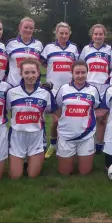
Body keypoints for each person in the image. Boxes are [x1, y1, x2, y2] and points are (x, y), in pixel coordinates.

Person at [6, 58, 57, 179]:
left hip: (36, 137)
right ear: (21, 74)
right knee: (15, 176)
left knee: (32, 175)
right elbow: (5, 111)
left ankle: (31, 159)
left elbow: (54, 111)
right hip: (17, 137)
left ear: (38, 73)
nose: (30, 76)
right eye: (26, 73)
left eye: (33, 72)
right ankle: (22, 160)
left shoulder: (45, 93)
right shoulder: (11, 93)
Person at [54, 60, 100, 175]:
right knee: (65, 173)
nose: (80, 76)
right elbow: (58, 108)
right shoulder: (64, 88)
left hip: (86, 136)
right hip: (66, 135)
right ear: (72, 73)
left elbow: (97, 108)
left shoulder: (93, 90)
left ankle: (80, 154)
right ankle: (71, 155)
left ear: (87, 73)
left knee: (84, 172)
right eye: (77, 73)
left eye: (83, 72)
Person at [41, 22, 80, 159]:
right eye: (61, 33)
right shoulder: (49, 48)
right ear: (56, 33)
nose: (64, 35)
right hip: (54, 88)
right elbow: (43, 63)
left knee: (70, 118)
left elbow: (77, 65)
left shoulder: (74, 48)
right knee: (56, 119)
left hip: (69, 88)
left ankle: (70, 144)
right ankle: (53, 145)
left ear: (69, 33)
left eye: (66, 33)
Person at [79, 24, 112, 155]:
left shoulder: (110, 50)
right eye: (96, 34)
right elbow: (80, 66)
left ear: (104, 35)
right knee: (84, 116)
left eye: (101, 34)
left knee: (102, 118)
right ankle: (83, 141)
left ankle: (99, 144)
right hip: (89, 87)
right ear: (92, 35)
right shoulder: (86, 49)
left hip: (104, 87)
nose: (98, 36)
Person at [5, 17, 44, 87]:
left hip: (32, 86)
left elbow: (41, 64)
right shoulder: (10, 43)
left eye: (31, 28)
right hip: (13, 85)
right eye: (25, 27)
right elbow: (4, 63)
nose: (28, 30)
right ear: (20, 27)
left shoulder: (39, 44)